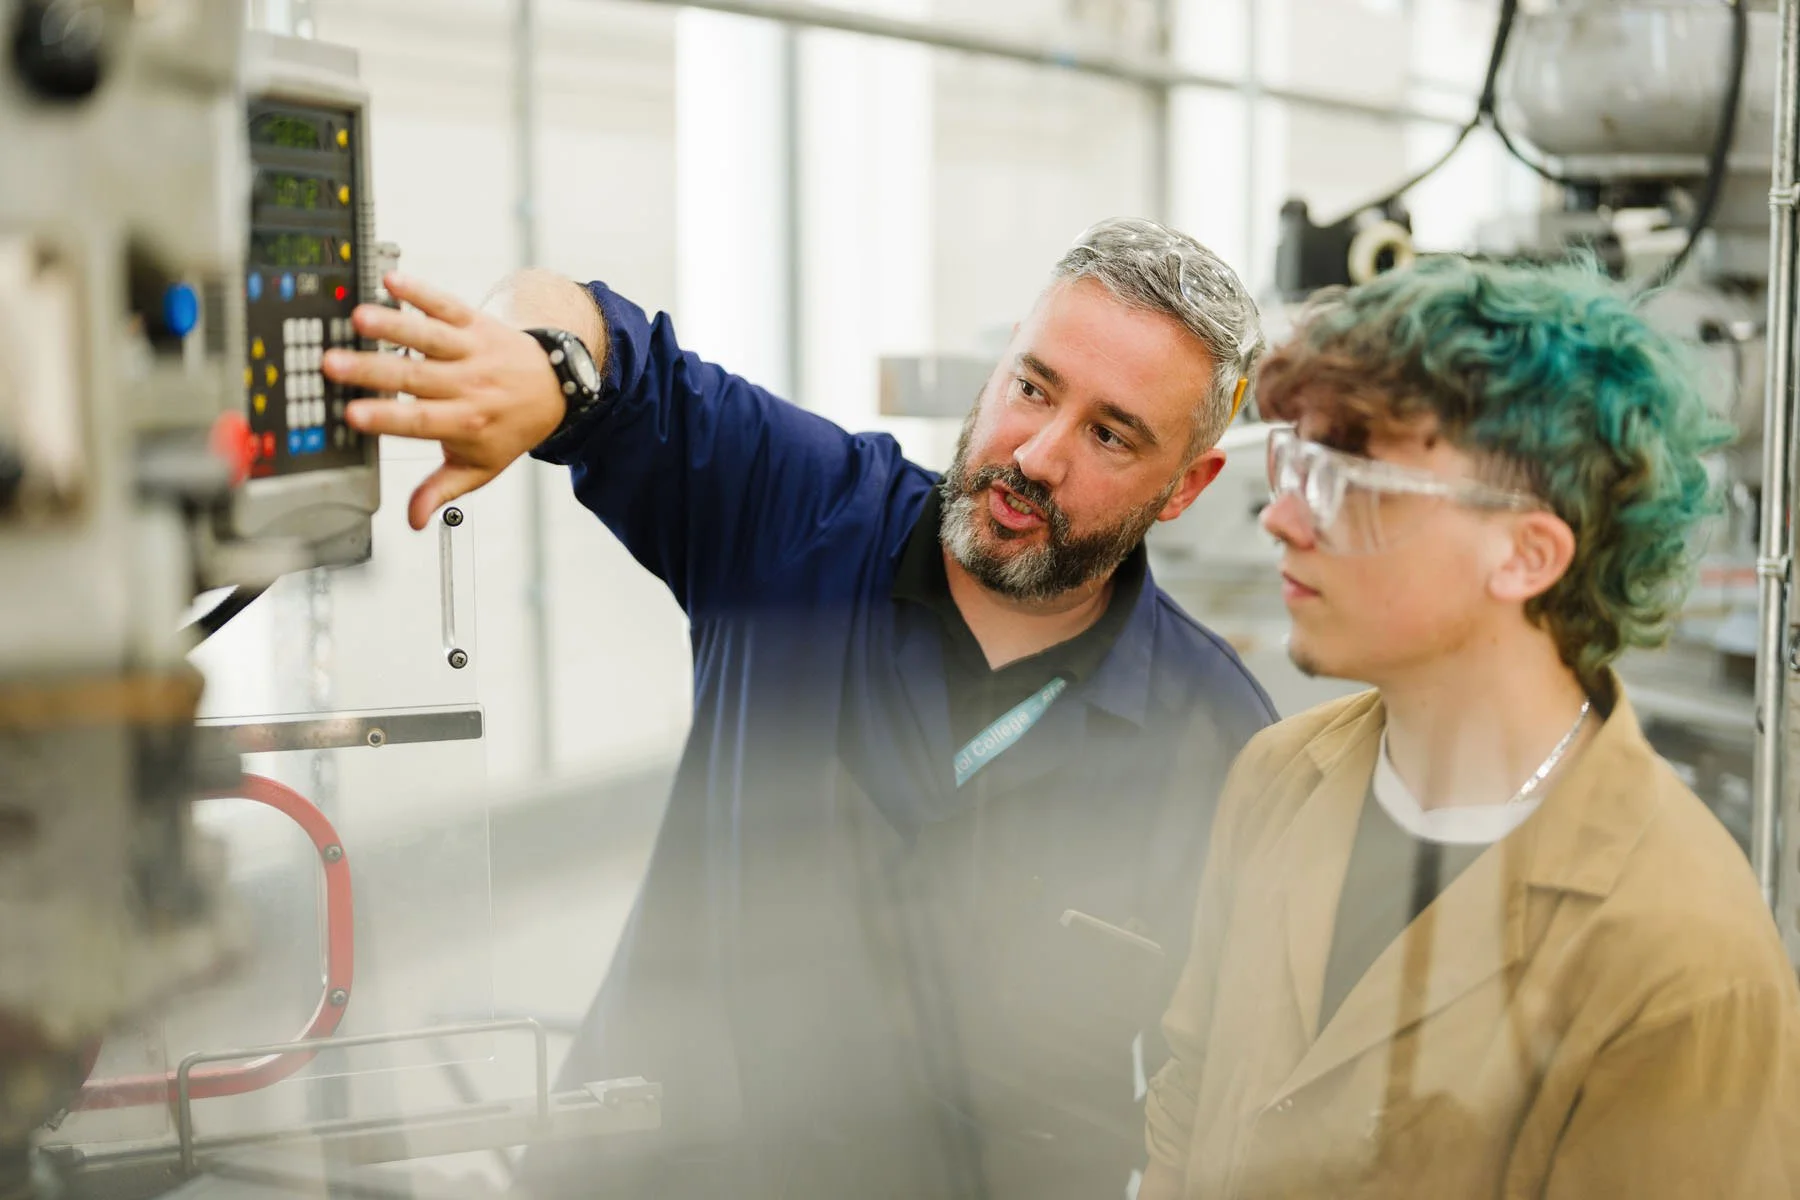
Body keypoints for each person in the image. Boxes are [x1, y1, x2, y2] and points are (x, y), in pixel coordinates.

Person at [322, 218, 1278, 1199]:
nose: (1035, 454)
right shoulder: (801, 517)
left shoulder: (1226, 752)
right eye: (1032, 387)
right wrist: (540, 366)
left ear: (1187, 486)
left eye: (1109, 434)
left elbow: (1221, 1103)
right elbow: (601, 345)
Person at [1140, 254, 1800, 1200]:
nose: (1280, 517)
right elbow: (1188, 1107)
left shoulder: (1679, 958)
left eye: (1351, 477)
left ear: (1526, 554)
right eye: (1295, 461)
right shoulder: (1280, 777)